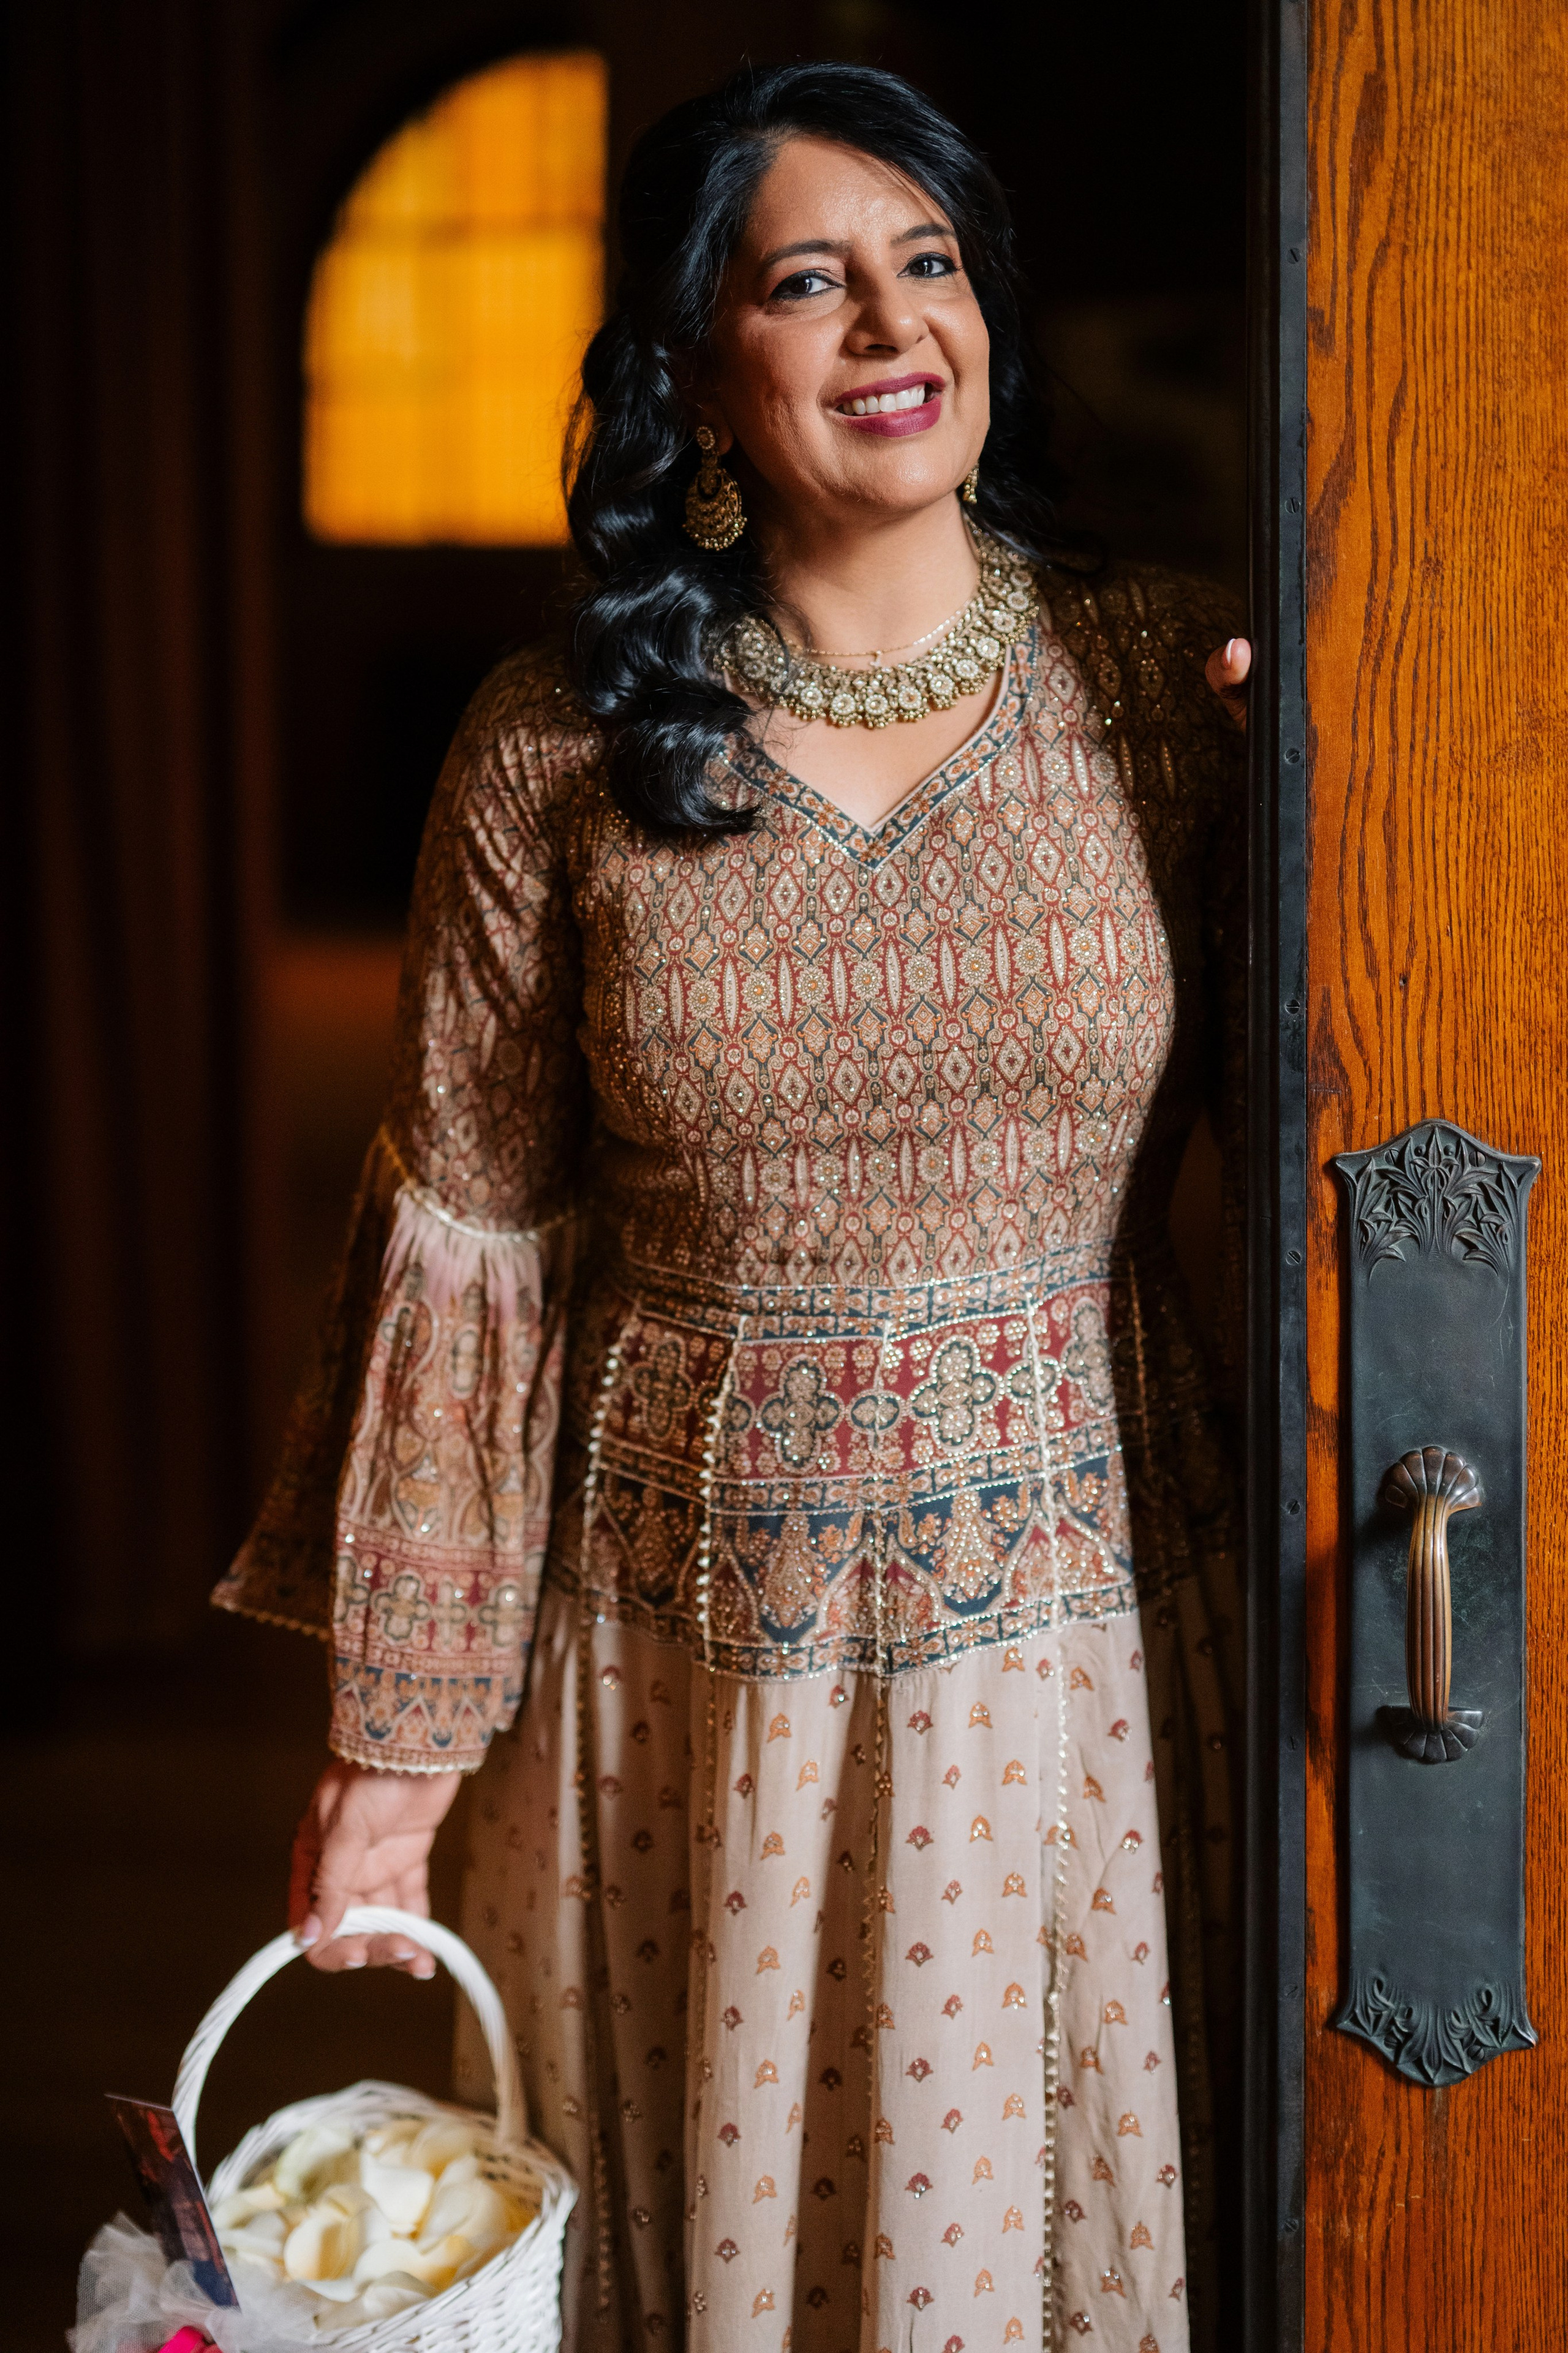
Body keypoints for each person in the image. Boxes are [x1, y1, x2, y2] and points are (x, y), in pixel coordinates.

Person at [217, 61, 1253, 2353]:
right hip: (680, 1683)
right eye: (810, 278)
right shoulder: (552, 754)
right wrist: (393, 1773)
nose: (896, 322)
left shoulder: (1182, 692)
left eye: (933, 260)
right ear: (696, 365)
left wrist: (1331, 758)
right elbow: (466, 1259)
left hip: (1077, 1645)